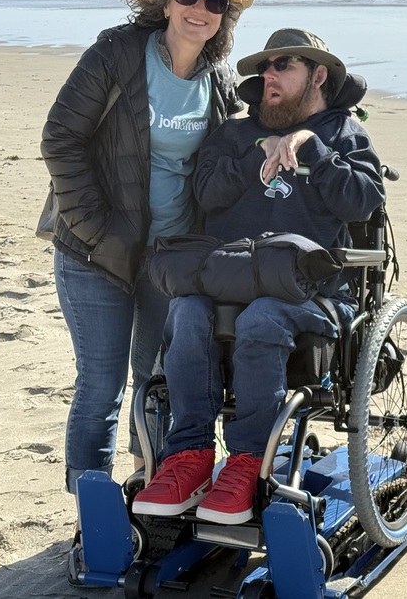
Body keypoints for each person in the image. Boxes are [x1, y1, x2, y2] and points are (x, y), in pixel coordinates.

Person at [132, 28, 385, 524]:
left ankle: (249, 462)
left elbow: (364, 200)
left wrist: (311, 147)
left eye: (282, 65)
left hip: (312, 293)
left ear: (317, 75)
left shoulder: (343, 134)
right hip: (228, 281)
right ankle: (191, 458)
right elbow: (206, 194)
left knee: (264, 317)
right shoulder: (233, 134)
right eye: (264, 67)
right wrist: (259, 152)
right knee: (186, 309)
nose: (267, 75)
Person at [40, 0, 255, 497]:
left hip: (171, 261)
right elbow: (61, 138)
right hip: (96, 254)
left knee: (157, 384)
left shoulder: (219, 81)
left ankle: (148, 491)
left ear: (223, 17)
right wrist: (97, 228)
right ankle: (91, 508)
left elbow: (229, 160)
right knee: (102, 386)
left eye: (214, 1)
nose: (199, 9)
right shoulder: (116, 55)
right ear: (165, 3)